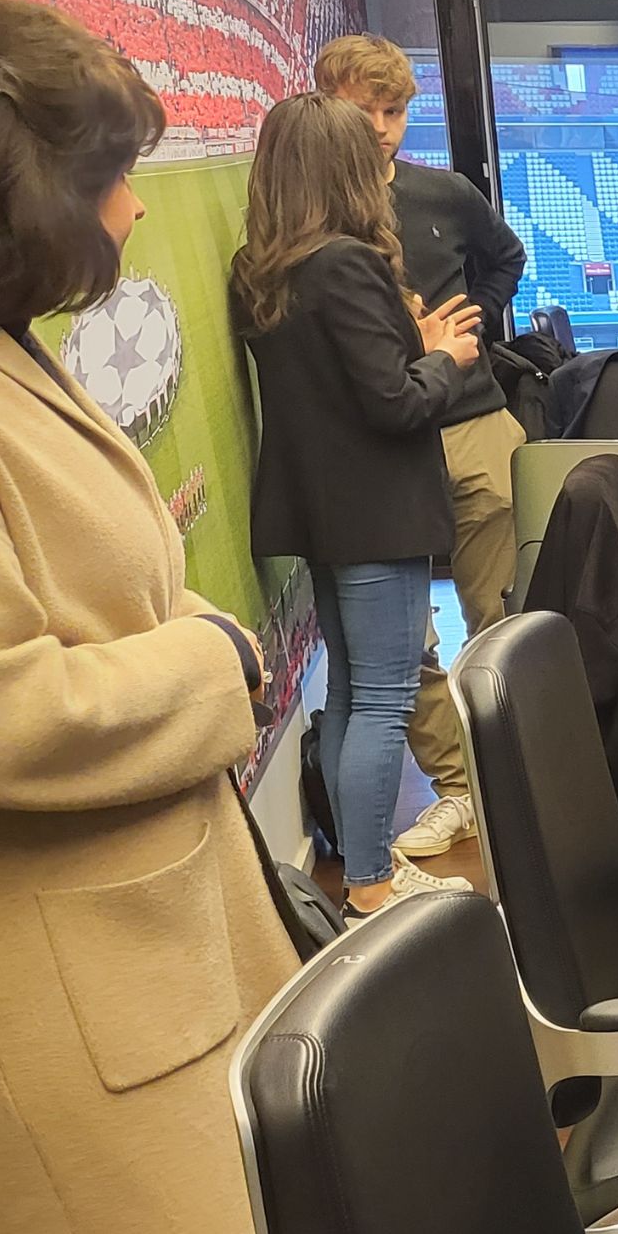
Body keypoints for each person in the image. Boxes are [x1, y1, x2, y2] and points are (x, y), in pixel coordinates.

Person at [0, 0, 294, 1234]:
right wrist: (212, 658)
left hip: (153, 957)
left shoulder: (22, 359)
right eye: (113, 179)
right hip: (78, 1007)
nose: (130, 212)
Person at [232, 94, 483, 914]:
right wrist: (444, 357)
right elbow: (397, 405)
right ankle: (373, 882)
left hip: (324, 509)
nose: (385, 163)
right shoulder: (346, 262)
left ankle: (363, 867)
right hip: (378, 508)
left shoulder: (262, 267)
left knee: (350, 690)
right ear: (343, 171)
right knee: (382, 695)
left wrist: (412, 337)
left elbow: (339, 383)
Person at [315, 34, 527, 861]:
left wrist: (471, 319)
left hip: (475, 423)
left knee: (502, 611)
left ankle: (523, 767)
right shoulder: (312, 222)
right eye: (360, 109)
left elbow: (505, 256)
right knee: (409, 644)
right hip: (380, 443)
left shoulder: (445, 192)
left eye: (393, 110)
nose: (378, 126)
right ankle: (458, 788)